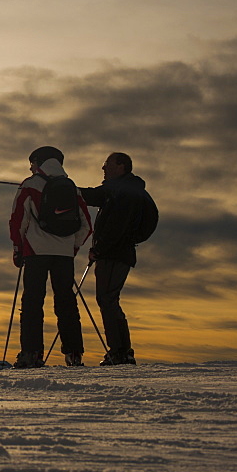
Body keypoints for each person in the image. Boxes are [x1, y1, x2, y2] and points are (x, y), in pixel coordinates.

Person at [9, 146, 92, 368]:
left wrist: (18, 249)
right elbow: (86, 226)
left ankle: (31, 353)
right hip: (64, 254)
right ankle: (74, 354)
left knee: (33, 302)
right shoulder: (72, 188)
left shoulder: (30, 184)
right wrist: (71, 247)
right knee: (66, 301)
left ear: (39, 163)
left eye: (32, 162)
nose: (30, 167)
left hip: (35, 252)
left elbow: (18, 220)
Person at [79, 152, 148, 365]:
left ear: (121, 166)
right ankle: (122, 351)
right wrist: (68, 190)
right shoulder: (123, 190)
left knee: (107, 299)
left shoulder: (123, 191)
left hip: (114, 254)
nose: (103, 168)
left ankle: (119, 351)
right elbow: (92, 196)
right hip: (119, 253)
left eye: (107, 164)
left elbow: (116, 226)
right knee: (109, 299)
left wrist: (99, 249)